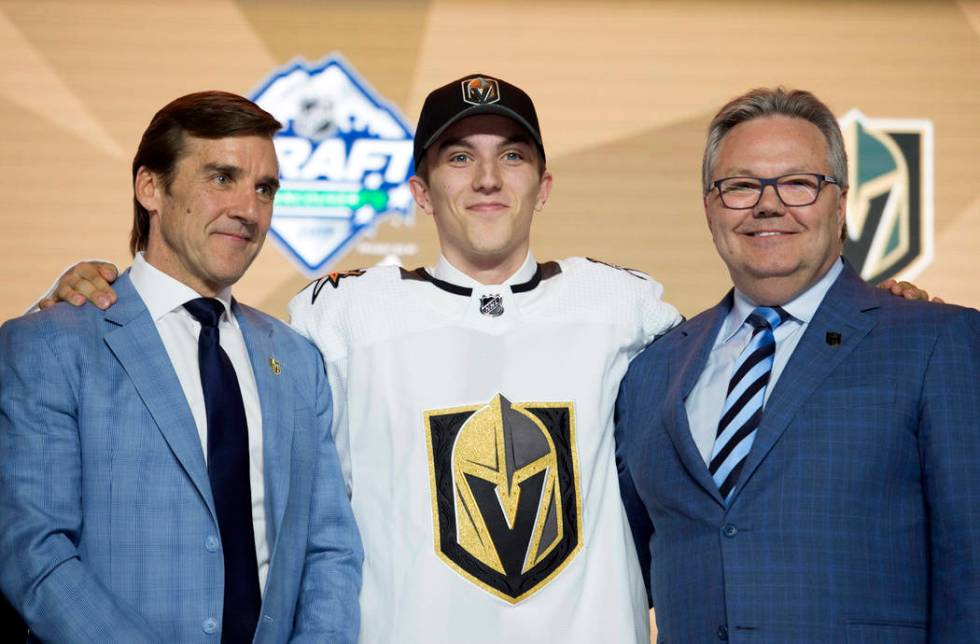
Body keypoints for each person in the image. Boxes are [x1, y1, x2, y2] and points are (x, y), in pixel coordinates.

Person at [33, 77, 940, 643]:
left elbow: (758, 349)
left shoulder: (624, 308)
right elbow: (205, 353)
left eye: (512, 157)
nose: (488, 178)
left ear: (545, 185)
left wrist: (880, 308)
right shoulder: (337, 316)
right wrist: (87, 284)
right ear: (421, 191)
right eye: (458, 159)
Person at [615, 87, 980, 642]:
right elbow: (623, 572)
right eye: (740, 186)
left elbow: (970, 566)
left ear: (841, 202)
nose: (769, 204)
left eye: (798, 183)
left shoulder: (932, 340)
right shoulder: (652, 370)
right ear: (709, 206)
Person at [0, 91, 362, 643]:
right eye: (222, 178)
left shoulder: (295, 358)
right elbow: (34, 553)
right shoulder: (52, 345)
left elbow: (329, 549)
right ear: (150, 187)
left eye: (264, 188)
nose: (247, 209)